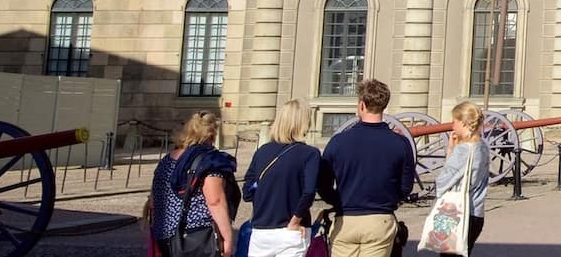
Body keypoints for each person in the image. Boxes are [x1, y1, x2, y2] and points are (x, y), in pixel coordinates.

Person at [318, 79, 417, 257]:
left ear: (361, 105)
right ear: (384, 106)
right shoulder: (400, 143)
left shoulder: (339, 141)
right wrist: (391, 200)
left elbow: (323, 184)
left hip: (345, 220)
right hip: (379, 219)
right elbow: (406, 186)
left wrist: (338, 201)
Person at [147, 111, 238, 257]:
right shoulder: (209, 161)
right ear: (212, 134)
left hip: (165, 237)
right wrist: (227, 238)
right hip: (197, 237)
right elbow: (215, 201)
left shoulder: (167, 160)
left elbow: (153, 200)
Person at [242, 100, 322, 257]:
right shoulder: (310, 154)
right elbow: (309, 191)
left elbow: (247, 192)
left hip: (261, 229)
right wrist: (295, 220)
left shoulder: (262, 152)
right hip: (291, 229)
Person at [432, 102, 490, 257]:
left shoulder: (463, 150)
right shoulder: (483, 146)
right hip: (476, 212)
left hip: (456, 213)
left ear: (463, 123)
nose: (452, 125)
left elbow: (443, 182)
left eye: (454, 121)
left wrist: (451, 151)